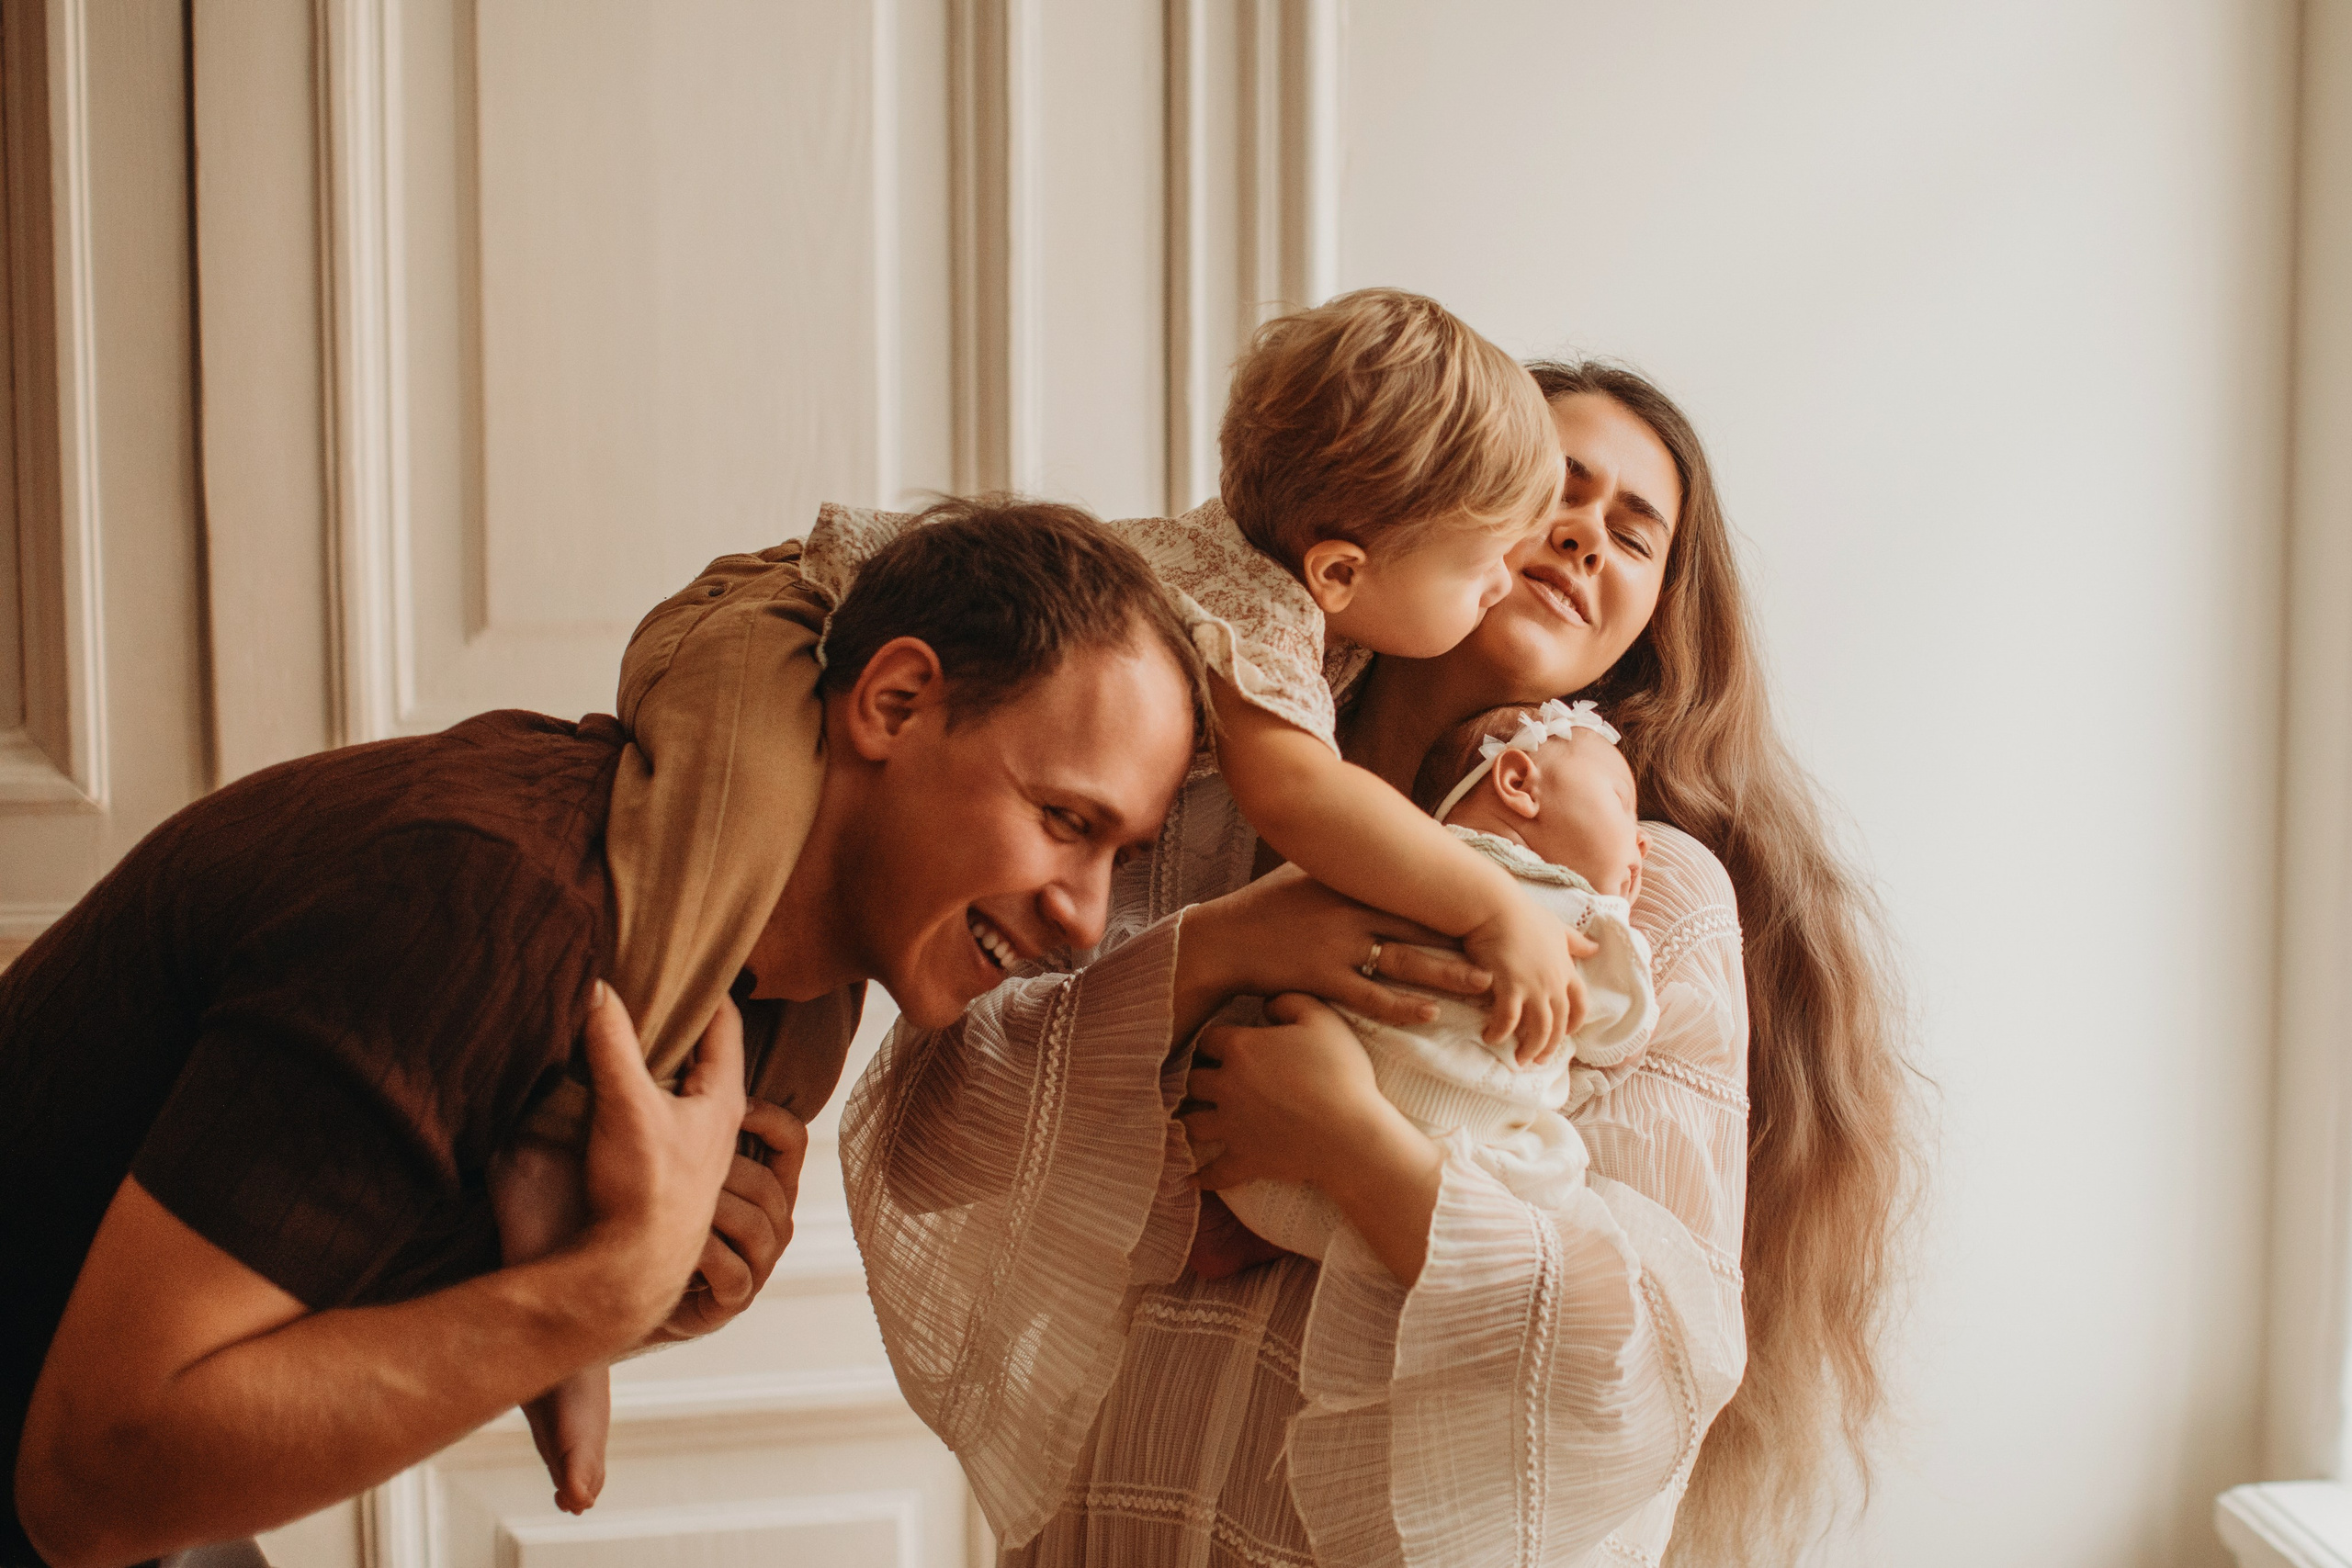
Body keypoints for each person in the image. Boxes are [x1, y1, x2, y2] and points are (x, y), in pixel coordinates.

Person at [843, 363, 1917, 1565]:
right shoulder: (1181, 795)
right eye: (1560, 488)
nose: (1584, 539)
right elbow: (934, 1143)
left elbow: (1644, 1360)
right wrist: (1226, 947)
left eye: (1635, 534)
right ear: (1447, 506)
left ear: (1654, 616)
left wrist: (1349, 1144)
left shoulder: (1645, 904)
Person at [0, 500, 1204, 1567]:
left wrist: (600, 1291)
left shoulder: (773, 994)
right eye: (1063, 819)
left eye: (1118, 856)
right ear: (893, 702)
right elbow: (83, 1483)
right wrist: (595, 1291)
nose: (1087, 919)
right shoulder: (479, 906)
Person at [811, 288, 1585, 1065]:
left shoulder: (1275, 562)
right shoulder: (1262, 612)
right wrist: (1493, 908)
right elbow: (1301, 795)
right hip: (798, 620)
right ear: (1340, 572)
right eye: (1485, 565)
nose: (1499, 589)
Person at [1217, 696, 1659, 1262]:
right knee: (1554, 1197)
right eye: (1623, 805)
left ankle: (1243, 1233)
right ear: (1519, 781)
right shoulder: (1583, 920)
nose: (1643, 842)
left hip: (1302, 1115)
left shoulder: (1400, 866)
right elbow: (1618, 1036)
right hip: (1474, 1148)